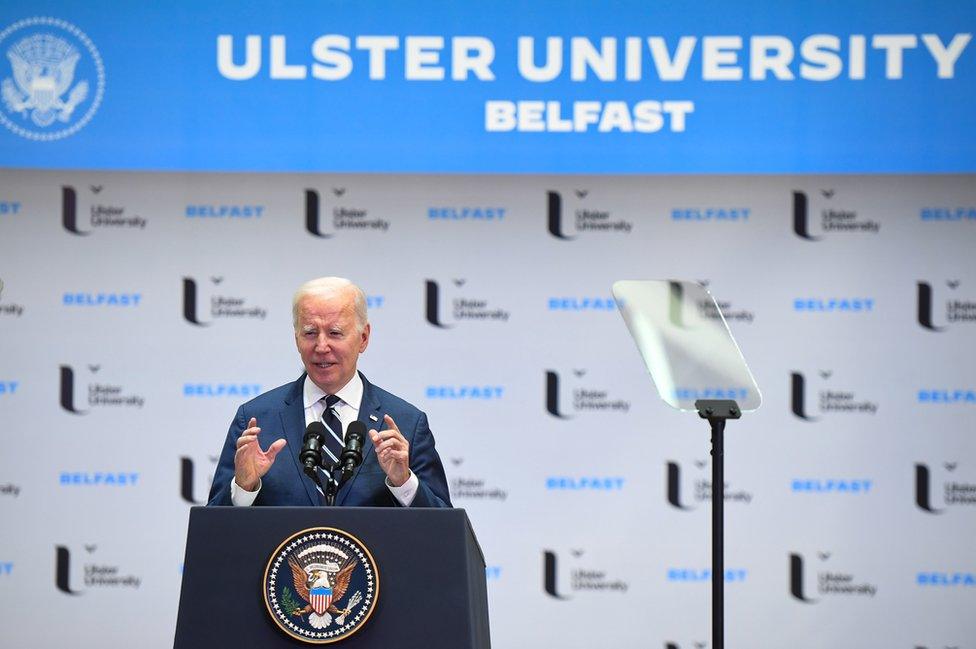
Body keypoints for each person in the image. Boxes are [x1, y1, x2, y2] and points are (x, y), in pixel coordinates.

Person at [208, 277, 451, 508]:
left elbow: (443, 531)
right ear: (296, 339)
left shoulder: (406, 423)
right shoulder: (256, 420)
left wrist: (404, 483)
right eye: (310, 333)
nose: (321, 347)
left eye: (335, 333)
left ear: (363, 338)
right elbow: (214, 531)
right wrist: (244, 487)